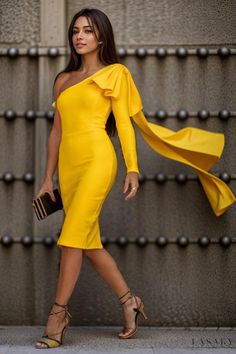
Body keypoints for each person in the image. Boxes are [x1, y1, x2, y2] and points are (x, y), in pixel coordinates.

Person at [35, 7, 235, 349]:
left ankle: (58, 315)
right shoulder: (63, 79)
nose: (79, 36)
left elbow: (124, 123)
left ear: (101, 37)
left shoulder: (115, 73)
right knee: (88, 244)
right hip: (69, 168)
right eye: (75, 31)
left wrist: (132, 168)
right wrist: (46, 178)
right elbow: (56, 133)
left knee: (71, 239)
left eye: (87, 30)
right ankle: (130, 301)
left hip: (98, 159)